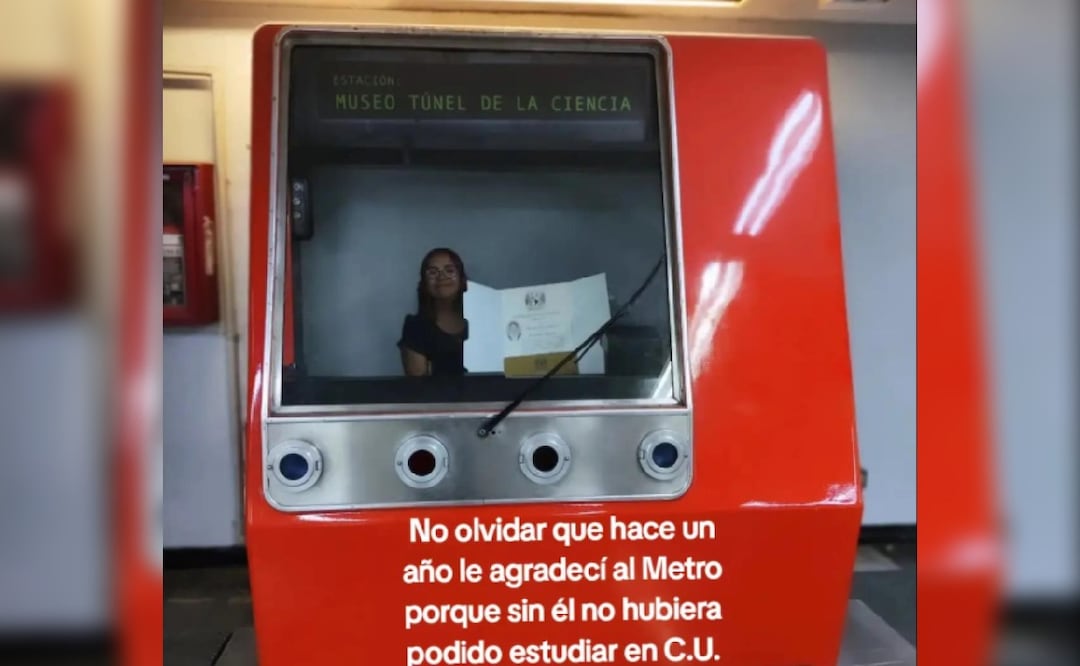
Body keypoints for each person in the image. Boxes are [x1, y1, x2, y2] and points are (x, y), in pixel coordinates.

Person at [398, 248, 469, 376]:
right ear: (424, 282)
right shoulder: (415, 326)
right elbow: (418, 382)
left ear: (461, 278)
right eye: (433, 272)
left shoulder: (482, 320)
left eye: (450, 270)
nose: (442, 276)